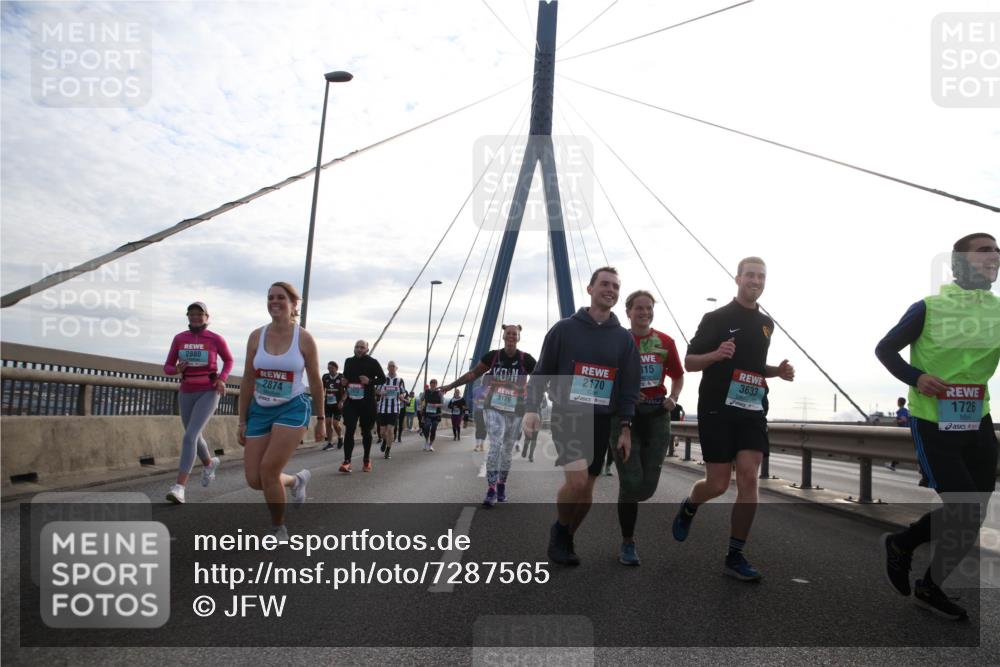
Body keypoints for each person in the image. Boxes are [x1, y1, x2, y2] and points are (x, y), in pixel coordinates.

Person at [875, 232, 999, 621]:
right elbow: (885, 348)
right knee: (963, 508)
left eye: (998, 251)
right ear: (959, 262)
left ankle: (930, 586)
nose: (995, 256)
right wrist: (917, 377)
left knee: (974, 514)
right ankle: (902, 544)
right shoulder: (928, 307)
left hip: (977, 421)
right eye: (985, 250)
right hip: (934, 422)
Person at [670, 257, 794, 581]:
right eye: (750, 275)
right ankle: (690, 505)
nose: (755, 280)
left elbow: (753, 365)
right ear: (737, 278)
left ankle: (735, 555)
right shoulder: (716, 318)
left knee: (750, 478)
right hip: (717, 409)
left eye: (761, 276)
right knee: (718, 483)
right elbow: (690, 361)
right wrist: (715, 354)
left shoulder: (768, 323)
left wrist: (776, 372)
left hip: (752, 409)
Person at [523, 267, 640, 565]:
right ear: (589, 289)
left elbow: (628, 388)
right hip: (568, 415)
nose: (610, 289)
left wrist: (625, 428)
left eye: (615, 285)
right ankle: (560, 530)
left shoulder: (624, 340)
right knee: (576, 483)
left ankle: (567, 536)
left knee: (587, 491)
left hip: (602, 420)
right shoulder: (564, 329)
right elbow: (540, 373)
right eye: (604, 284)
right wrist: (532, 409)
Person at [238, 282, 324, 541]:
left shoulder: (304, 338)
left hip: (292, 408)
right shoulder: (256, 336)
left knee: (268, 470)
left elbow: (316, 380)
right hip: (260, 408)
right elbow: (247, 380)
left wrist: (321, 419)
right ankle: (296, 481)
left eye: (280, 298)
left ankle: (278, 527)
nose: (274, 302)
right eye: (270, 298)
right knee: (255, 479)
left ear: (294, 304)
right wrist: (242, 420)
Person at [612, 290, 684, 565]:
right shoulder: (618, 340)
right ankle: (628, 542)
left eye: (649, 308)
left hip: (656, 416)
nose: (644, 312)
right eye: (638, 308)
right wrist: (626, 393)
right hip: (623, 418)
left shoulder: (665, 341)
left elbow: (678, 375)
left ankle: (628, 497)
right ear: (628, 312)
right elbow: (608, 376)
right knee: (631, 482)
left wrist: (673, 398)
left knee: (647, 486)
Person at [441, 324, 537, 507]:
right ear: (503, 336)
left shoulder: (526, 360)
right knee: (496, 443)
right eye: (508, 333)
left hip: (516, 410)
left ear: (518, 337)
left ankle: (502, 483)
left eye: (514, 334)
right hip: (493, 406)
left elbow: (541, 377)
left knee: (507, 450)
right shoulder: (493, 357)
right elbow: (473, 373)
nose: (510, 336)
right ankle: (491, 488)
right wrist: (451, 386)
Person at [163, 301, 234, 504]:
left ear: (206, 316)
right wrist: (176, 369)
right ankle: (209, 463)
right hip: (186, 391)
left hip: (209, 392)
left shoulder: (215, 338)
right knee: (195, 435)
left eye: (199, 314)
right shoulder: (179, 339)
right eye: (191, 314)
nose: (195, 317)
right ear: (188, 317)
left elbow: (229, 360)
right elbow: (167, 367)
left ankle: (179, 487)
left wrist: (222, 378)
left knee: (189, 436)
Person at [340, 340, 386, 473]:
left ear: (367, 349)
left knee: (366, 432)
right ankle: (347, 461)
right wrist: (344, 381)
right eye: (356, 347)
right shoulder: (348, 361)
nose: (359, 349)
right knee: (349, 429)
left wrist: (370, 381)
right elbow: (346, 378)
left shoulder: (372, 362)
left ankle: (366, 459)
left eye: (362, 347)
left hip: (367, 403)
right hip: (352, 401)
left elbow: (382, 379)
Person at [377, 361, 406, 460]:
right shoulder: (383, 379)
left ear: (396, 368)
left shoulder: (399, 380)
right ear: (387, 368)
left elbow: (403, 392)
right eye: (390, 366)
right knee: (382, 432)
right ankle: (385, 441)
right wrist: (381, 392)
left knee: (390, 430)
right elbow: (376, 390)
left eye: (393, 366)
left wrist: (402, 396)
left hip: (394, 408)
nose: (392, 367)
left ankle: (388, 450)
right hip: (383, 408)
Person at [321, 361, 345, 451]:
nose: (330, 370)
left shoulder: (341, 377)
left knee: (335, 424)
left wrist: (342, 401)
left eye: (331, 368)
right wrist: (322, 396)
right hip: (328, 403)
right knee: (327, 422)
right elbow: (322, 388)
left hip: (338, 404)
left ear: (336, 368)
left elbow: (347, 390)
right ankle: (330, 443)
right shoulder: (325, 377)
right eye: (328, 368)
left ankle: (340, 437)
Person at [421, 379, 444, 451]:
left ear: (436, 385)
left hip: (436, 414)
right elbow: (422, 399)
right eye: (432, 383)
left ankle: (430, 445)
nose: (433, 385)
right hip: (427, 413)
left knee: (433, 429)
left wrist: (437, 405)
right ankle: (426, 441)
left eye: (435, 383)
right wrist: (421, 407)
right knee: (426, 427)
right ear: (430, 384)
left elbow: (442, 404)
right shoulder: (426, 392)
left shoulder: (439, 393)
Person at [472, 383, 488, 452]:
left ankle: (482, 444)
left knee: (484, 429)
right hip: (478, 411)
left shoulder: (490, 389)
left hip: (486, 412)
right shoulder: (476, 389)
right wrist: (475, 401)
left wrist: (486, 398)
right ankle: (477, 445)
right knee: (478, 428)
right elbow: (471, 398)